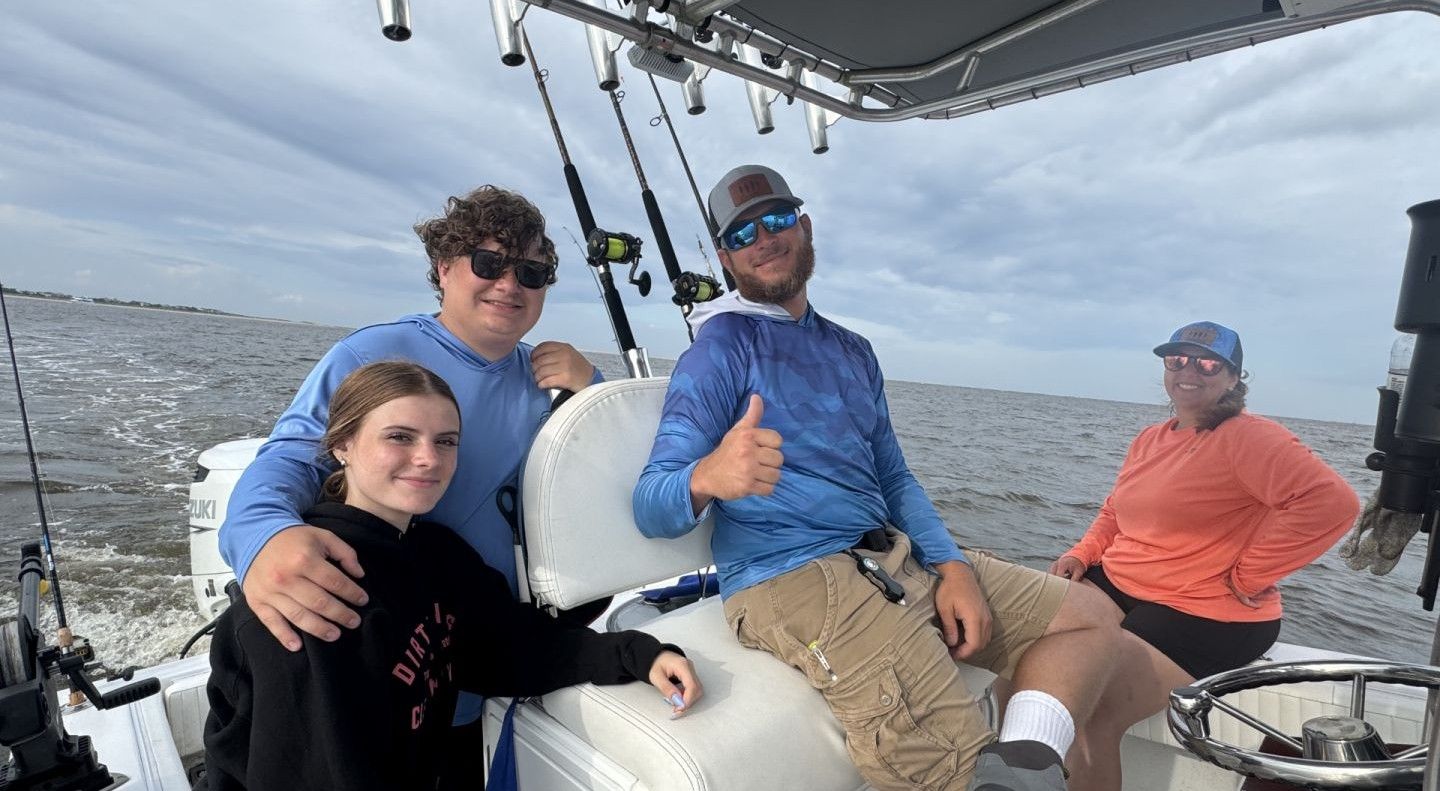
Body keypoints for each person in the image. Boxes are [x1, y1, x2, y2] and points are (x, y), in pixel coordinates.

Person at [633, 164, 1122, 791]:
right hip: (790, 576)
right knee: (955, 769)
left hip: (889, 552)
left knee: (1090, 617)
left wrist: (953, 566)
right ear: (727, 259)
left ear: (805, 228)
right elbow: (651, 504)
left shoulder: (853, 350)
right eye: (742, 233)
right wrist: (707, 476)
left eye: (777, 219)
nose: (764, 238)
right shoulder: (719, 350)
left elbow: (892, 474)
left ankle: (1019, 764)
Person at [216, 186, 600, 764]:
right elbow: (293, 457)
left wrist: (593, 390)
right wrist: (262, 535)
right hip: (384, 653)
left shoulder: (552, 381)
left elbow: (600, 474)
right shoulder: (372, 352)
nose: (509, 284)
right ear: (444, 268)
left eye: (531, 272)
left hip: (487, 651)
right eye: (489, 263)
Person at [204, 361, 702, 791]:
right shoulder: (314, 593)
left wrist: (637, 654)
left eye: (445, 442)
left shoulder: (437, 555)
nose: (428, 459)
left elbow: (505, 647)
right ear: (342, 446)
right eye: (400, 437)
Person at [1048, 321, 1358, 791]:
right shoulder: (1150, 438)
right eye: (1177, 359)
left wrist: (1250, 573)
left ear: (1234, 377)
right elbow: (1115, 509)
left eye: (1208, 364)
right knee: (1027, 651)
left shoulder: (1247, 436)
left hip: (1205, 609)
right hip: (1125, 582)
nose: (1189, 371)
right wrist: (1082, 552)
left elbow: (1332, 503)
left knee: (1087, 710)